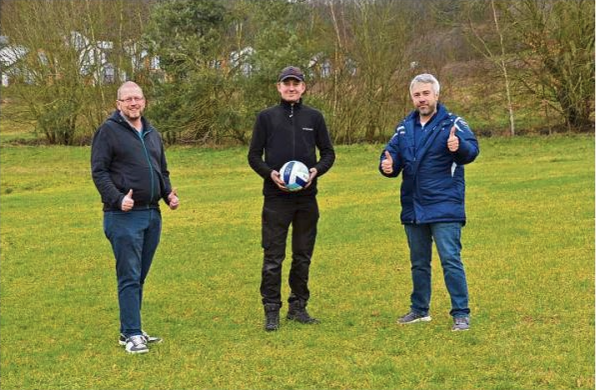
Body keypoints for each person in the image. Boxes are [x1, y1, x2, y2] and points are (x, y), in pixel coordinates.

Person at [379, 73, 479, 331]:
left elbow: (471, 152)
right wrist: (387, 165)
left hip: (445, 205)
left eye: (426, 94)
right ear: (412, 98)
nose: (421, 99)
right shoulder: (404, 127)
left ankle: (461, 312)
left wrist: (459, 147)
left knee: (450, 259)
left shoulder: (453, 123)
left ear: (436, 95)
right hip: (413, 206)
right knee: (419, 262)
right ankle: (419, 309)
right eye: (417, 95)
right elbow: (392, 156)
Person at [91, 81, 179, 353]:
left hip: (152, 214)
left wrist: (168, 195)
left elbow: (160, 170)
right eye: (127, 99)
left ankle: (130, 328)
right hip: (123, 216)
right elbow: (99, 172)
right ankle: (131, 334)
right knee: (128, 275)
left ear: (144, 101)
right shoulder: (108, 131)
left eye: (137, 98)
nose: (133, 103)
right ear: (118, 104)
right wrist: (118, 199)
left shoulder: (152, 132)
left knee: (139, 275)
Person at [248, 66, 335, 331]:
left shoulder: (315, 117)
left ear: (303, 87)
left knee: (302, 255)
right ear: (279, 87)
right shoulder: (266, 118)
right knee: (273, 256)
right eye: (286, 84)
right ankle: (271, 310)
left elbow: (329, 154)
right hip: (275, 199)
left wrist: (315, 171)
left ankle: (298, 307)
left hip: (307, 199)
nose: (291, 88)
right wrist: (269, 174)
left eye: (296, 83)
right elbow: (253, 156)